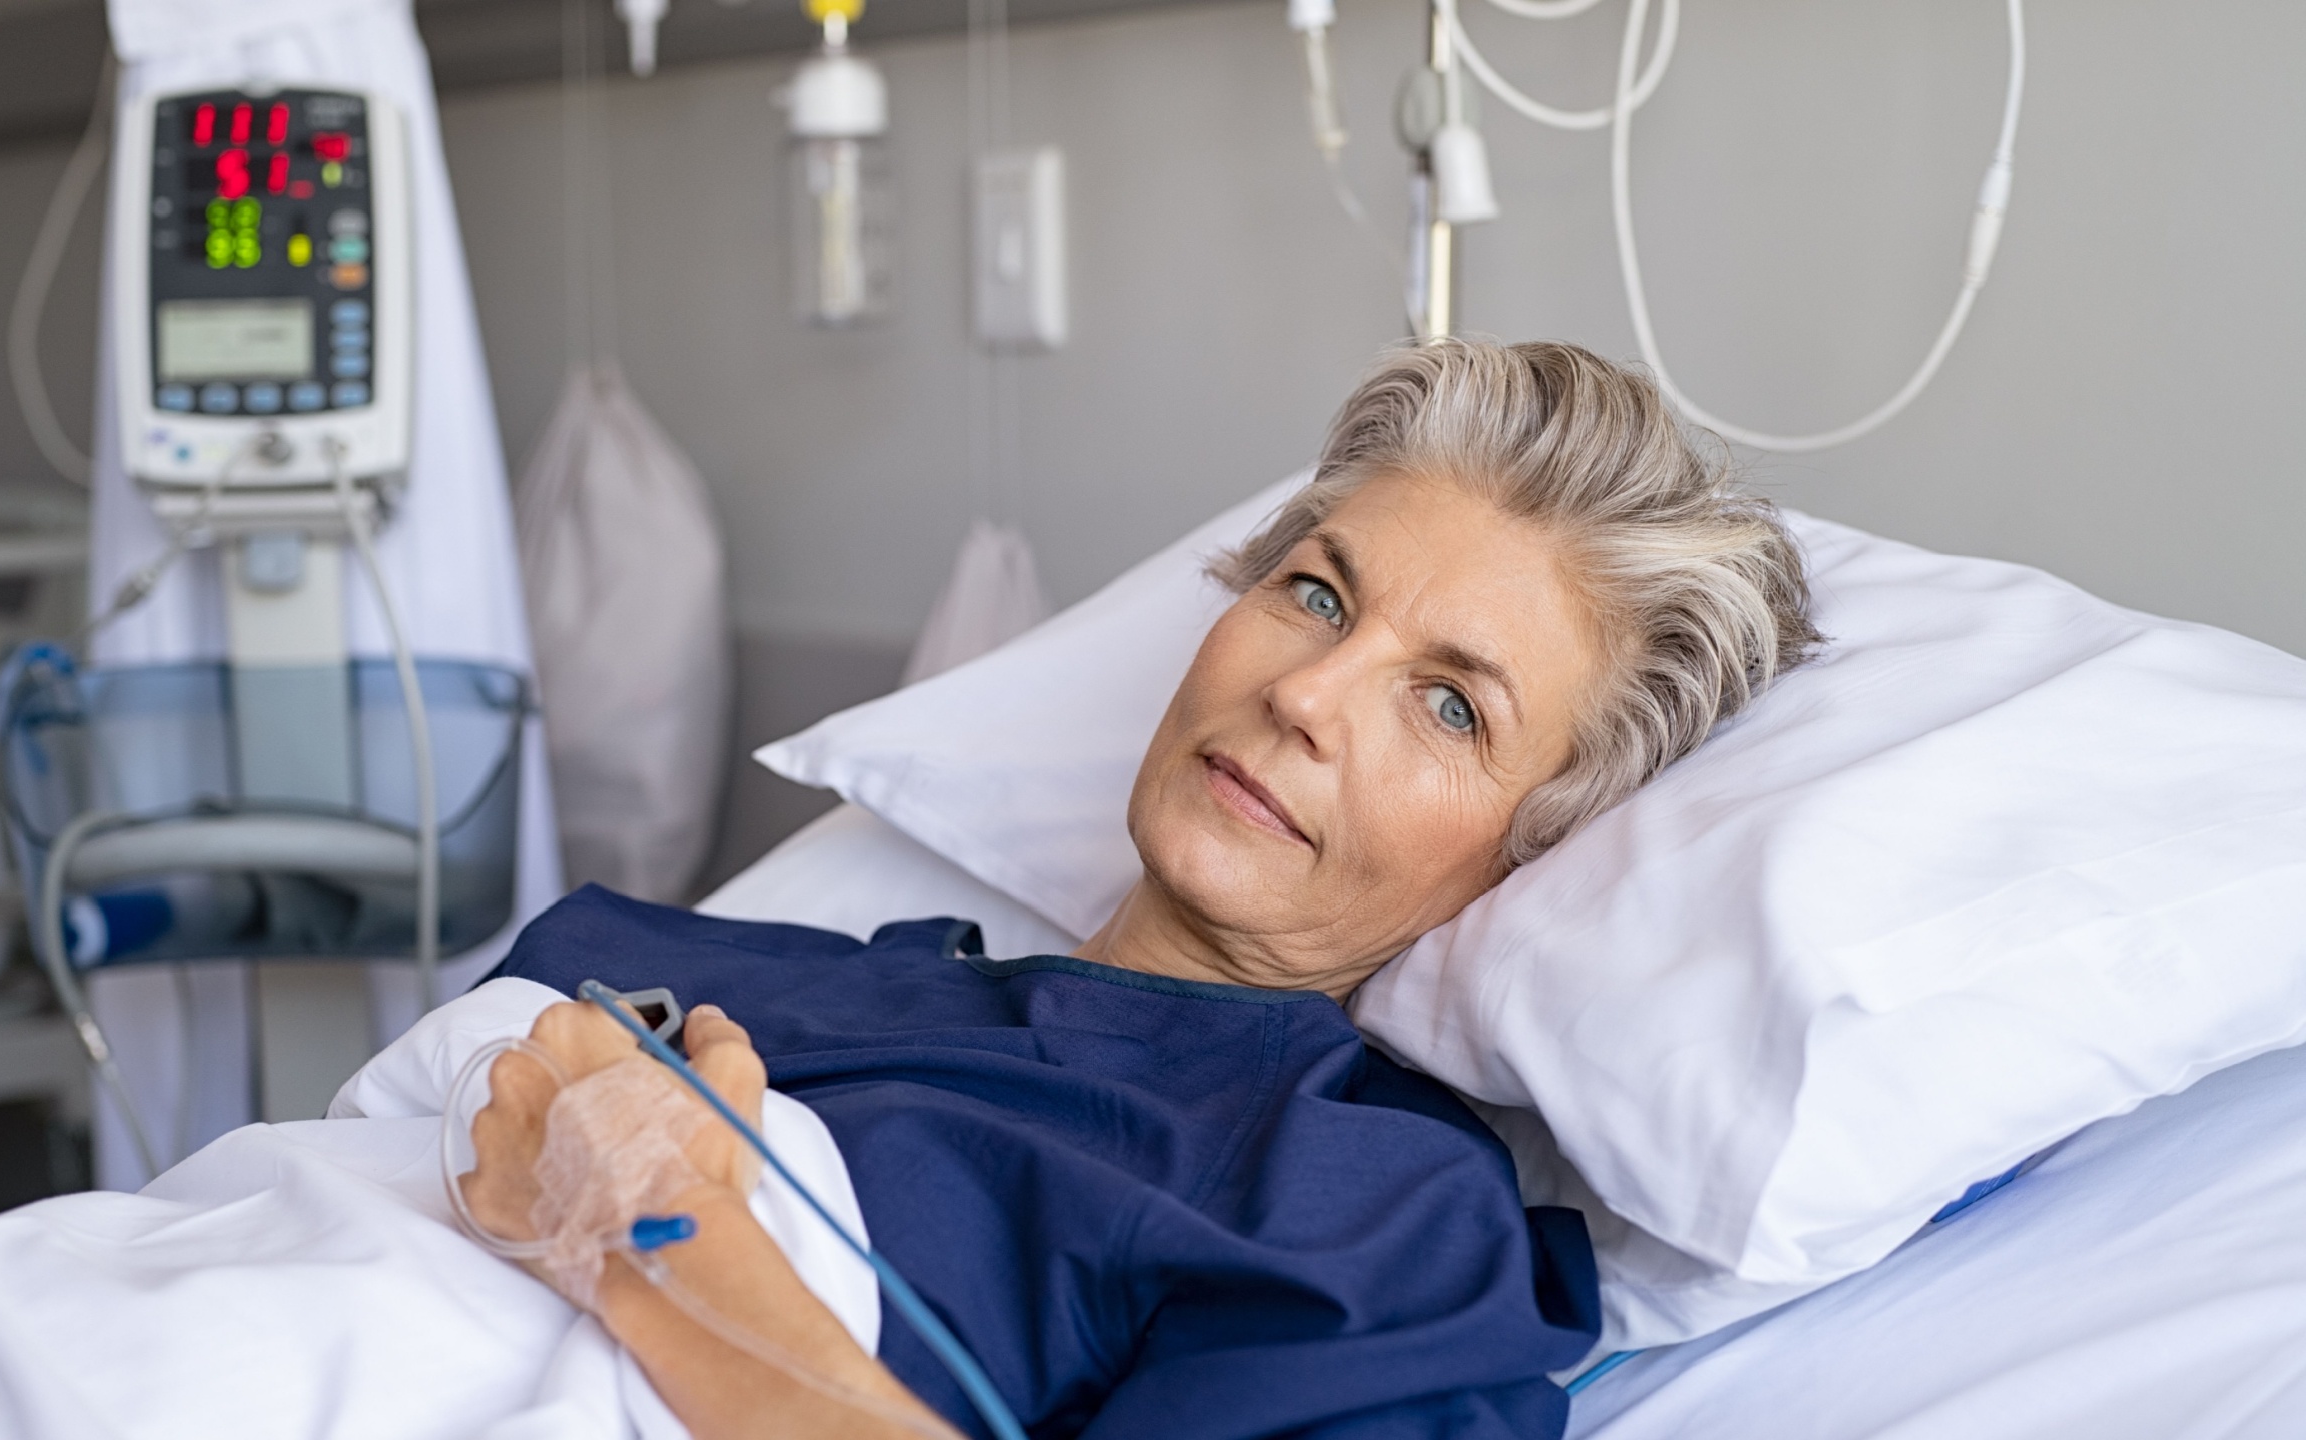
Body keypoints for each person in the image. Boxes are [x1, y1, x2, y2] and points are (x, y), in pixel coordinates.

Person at [461, 338, 1820, 1439]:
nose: (1304, 694)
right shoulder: (798, 971)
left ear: (1537, 850)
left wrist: (656, 1247)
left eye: (1452, 709)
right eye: (1318, 597)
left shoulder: (1363, 1215)